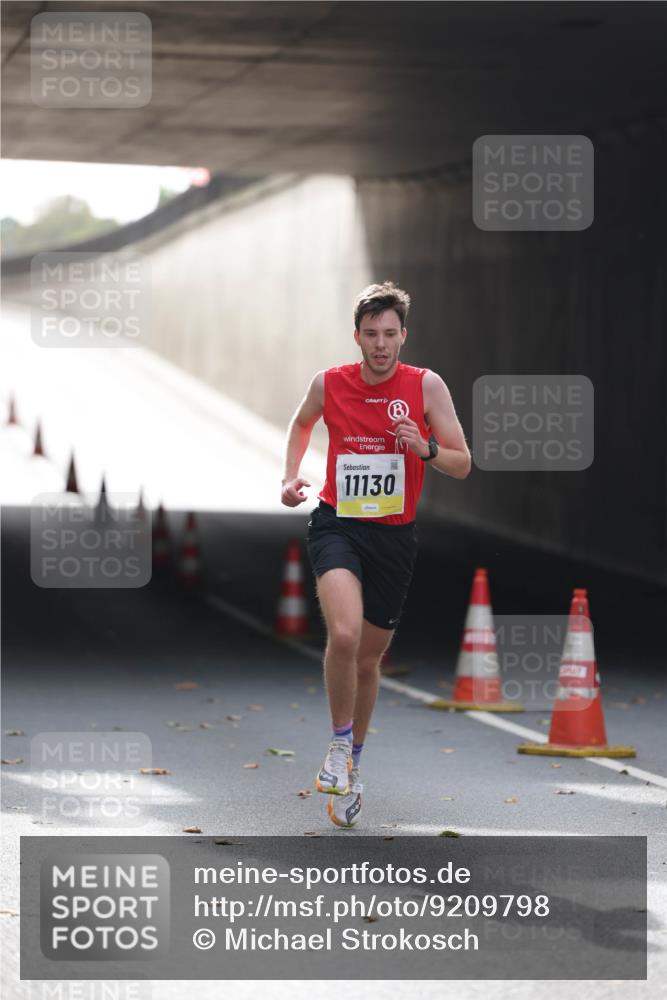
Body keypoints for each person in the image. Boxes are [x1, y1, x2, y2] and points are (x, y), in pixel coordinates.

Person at [281, 281, 471, 827]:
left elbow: (462, 462)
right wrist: (291, 477)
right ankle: (338, 747)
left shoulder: (426, 387)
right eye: (371, 334)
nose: (381, 344)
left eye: (390, 334)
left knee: (368, 658)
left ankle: (353, 765)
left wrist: (425, 447)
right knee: (344, 634)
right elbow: (300, 424)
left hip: (393, 536)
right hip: (337, 522)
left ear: (403, 335)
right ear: (357, 336)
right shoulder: (330, 383)